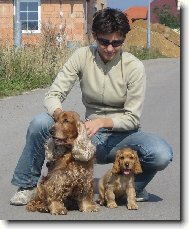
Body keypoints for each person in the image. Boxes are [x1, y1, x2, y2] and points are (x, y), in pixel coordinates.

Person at [10, 8, 173, 205]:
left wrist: (103, 121)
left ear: (123, 39)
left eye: (117, 42)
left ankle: (131, 187)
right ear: (94, 36)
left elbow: (132, 117)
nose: (110, 48)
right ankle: (27, 186)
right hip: (87, 134)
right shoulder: (81, 56)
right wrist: (62, 118)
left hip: (123, 136)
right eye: (104, 41)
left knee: (161, 152)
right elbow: (54, 94)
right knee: (40, 123)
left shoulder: (134, 66)